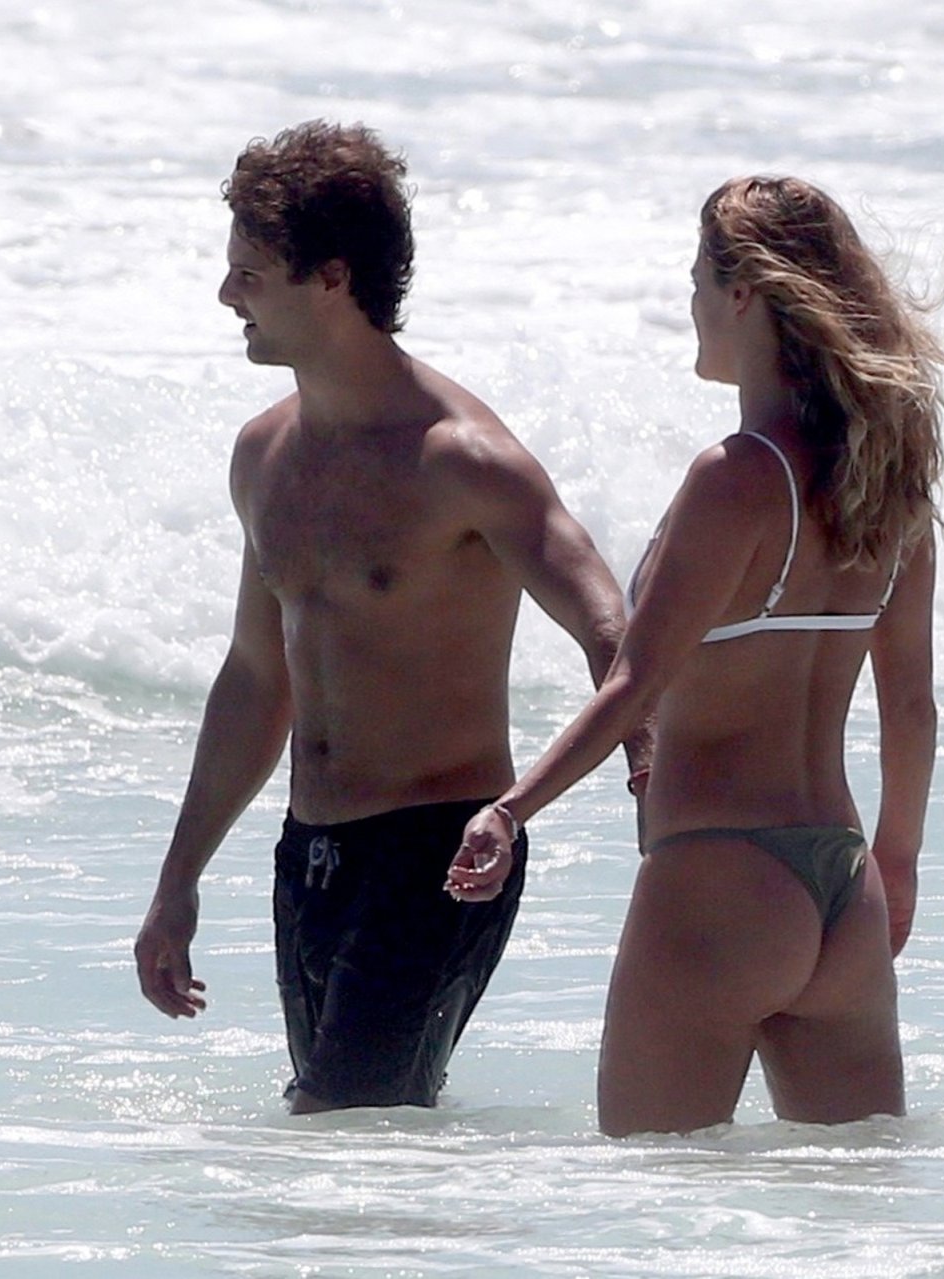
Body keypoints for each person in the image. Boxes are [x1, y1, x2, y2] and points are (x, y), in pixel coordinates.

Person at [449, 175, 944, 1136]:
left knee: (652, 1194)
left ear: (742, 295)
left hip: (720, 880)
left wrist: (510, 809)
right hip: (844, 888)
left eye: (697, 280)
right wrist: (897, 862)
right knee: (851, 1206)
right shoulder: (888, 489)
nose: (689, 302)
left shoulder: (736, 479)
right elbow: (912, 707)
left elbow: (634, 682)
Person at [134, 121, 646, 1114]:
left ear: (331, 279)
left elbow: (608, 624)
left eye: (251, 274)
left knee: (339, 1125)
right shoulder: (264, 458)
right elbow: (256, 677)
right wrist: (177, 880)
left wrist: (646, 776)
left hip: (440, 854)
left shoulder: (462, 459)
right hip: (310, 857)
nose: (227, 295)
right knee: (363, 1148)